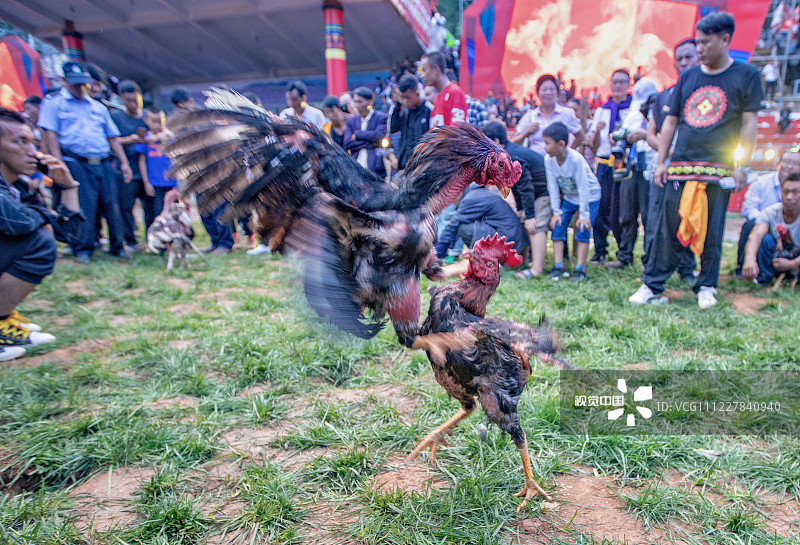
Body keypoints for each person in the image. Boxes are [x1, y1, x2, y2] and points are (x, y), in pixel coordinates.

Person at [630, 11, 764, 309]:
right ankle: (652, 284)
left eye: (705, 42)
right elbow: (670, 122)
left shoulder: (746, 75)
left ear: (725, 39)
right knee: (666, 227)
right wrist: (662, 161)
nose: (700, 48)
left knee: (712, 229)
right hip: (679, 167)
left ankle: (707, 284)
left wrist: (742, 165)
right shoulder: (689, 77)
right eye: (698, 42)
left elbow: (749, 124)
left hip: (718, 169)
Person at [0, 108, 84, 361]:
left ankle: (3, 318)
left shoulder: (20, 187)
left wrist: (68, 185)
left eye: (33, 142)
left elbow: (70, 234)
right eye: (20, 142)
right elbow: (18, 224)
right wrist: (44, 217)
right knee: (39, 241)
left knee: (42, 236)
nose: (32, 151)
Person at [37, 61, 132, 264]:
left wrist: (123, 162)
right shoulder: (54, 104)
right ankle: (83, 249)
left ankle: (118, 246)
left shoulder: (98, 107)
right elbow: (51, 135)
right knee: (84, 207)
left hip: (103, 162)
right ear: (64, 81)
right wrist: (59, 164)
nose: (80, 88)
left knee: (111, 203)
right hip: (75, 162)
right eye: (75, 84)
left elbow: (112, 137)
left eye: (83, 84)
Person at [642, 38, 700, 284]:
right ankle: (653, 271)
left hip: (696, 171)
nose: (684, 62)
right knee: (657, 222)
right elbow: (650, 134)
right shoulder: (663, 96)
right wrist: (671, 152)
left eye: (689, 57)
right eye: (680, 58)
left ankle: (688, 270)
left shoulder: (706, 96)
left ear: (699, 57)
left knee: (689, 219)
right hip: (665, 170)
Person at [482, 121, 550, 278]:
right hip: (533, 192)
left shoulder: (510, 156)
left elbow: (526, 186)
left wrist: (531, 215)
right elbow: (517, 185)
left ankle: (536, 269)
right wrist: (520, 208)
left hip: (544, 192)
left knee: (534, 225)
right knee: (521, 221)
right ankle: (522, 261)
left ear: (497, 142)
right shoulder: (506, 154)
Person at [605, 78, 658, 270]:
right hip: (630, 166)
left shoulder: (660, 110)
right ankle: (624, 255)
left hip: (650, 167)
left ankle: (650, 260)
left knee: (648, 216)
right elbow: (622, 135)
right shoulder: (632, 112)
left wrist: (644, 135)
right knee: (626, 214)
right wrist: (617, 137)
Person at [543, 122, 601, 281]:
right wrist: (556, 212)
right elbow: (552, 186)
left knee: (583, 228)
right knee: (558, 225)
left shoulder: (576, 160)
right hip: (569, 197)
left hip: (589, 196)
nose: (545, 147)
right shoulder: (548, 160)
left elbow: (584, 188)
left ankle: (580, 269)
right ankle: (558, 265)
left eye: (548, 143)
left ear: (561, 144)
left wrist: (583, 215)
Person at [590, 68, 632, 264]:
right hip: (605, 164)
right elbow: (593, 145)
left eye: (622, 82)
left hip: (623, 165)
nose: (618, 85)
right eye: (615, 82)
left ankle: (624, 252)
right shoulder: (601, 111)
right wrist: (597, 132)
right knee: (600, 208)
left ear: (628, 84)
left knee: (622, 210)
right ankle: (600, 250)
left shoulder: (633, 110)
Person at [736, 149, 800, 275]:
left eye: (795, 163)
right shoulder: (761, 183)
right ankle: (746, 268)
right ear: (778, 164)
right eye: (787, 162)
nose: (790, 166)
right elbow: (749, 209)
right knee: (752, 226)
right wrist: (769, 220)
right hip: (765, 226)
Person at [434, 182, 528, 259]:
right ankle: (483, 257)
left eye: (450, 198)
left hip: (509, 240)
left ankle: (484, 258)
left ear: (458, 192)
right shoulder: (475, 193)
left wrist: (440, 250)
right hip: (511, 237)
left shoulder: (470, 198)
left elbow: (454, 224)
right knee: (463, 225)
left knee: (463, 228)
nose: (449, 202)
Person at [111, 80, 152, 252]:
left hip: (149, 172)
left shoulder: (147, 116)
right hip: (126, 169)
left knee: (150, 207)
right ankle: (131, 241)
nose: (134, 104)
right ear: (122, 99)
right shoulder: (115, 117)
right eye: (129, 100)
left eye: (136, 100)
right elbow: (110, 139)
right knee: (125, 207)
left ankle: (152, 240)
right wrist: (130, 140)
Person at [742, 172, 800, 284]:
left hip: (796, 262)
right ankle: (764, 280)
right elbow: (756, 236)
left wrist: (792, 264)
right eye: (786, 192)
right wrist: (749, 259)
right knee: (764, 239)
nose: (789, 197)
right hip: (777, 260)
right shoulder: (771, 212)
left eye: (795, 192)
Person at [513, 74, 585, 156]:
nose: (548, 92)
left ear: (557, 92)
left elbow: (580, 135)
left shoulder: (566, 113)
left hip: (558, 166)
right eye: (544, 89)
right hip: (535, 165)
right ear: (538, 93)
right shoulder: (531, 115)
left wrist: (567, 154)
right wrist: (526, 132)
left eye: (552, 89)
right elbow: (515, 142)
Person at [134, 106, 177, 217]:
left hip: (172, 183)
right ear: (146, 121)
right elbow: (142, 162)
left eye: (160, 121)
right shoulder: (145, 139)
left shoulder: (169, 137)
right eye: (154, 121)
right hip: (155, 184)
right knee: (158, 213)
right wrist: (146, 182)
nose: (157, 125)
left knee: (175, 212)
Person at [389, 75, 432, 171]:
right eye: (402, 97)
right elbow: (393, 128)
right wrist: (397, 104)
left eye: (407, 97)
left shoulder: (429, 111)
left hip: (421, 169)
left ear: (417, 92)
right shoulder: (405, 111)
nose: (405, 101)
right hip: (404, 167)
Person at [344, 87, 388, 176]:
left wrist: (357, 134)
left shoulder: (380, 117)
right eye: (355, 102)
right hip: (356, 170)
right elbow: (347, 143)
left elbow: (378, 136)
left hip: (375, 169)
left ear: (369, 102)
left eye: (360, 102)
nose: (356, 105)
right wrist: (371, 144)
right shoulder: (351, 121)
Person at [419, 51, 467, 128]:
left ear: (435, 69)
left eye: (424, 70)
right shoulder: (437, 97)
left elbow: (457, 131)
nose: (422, 76)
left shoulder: (454, 92)